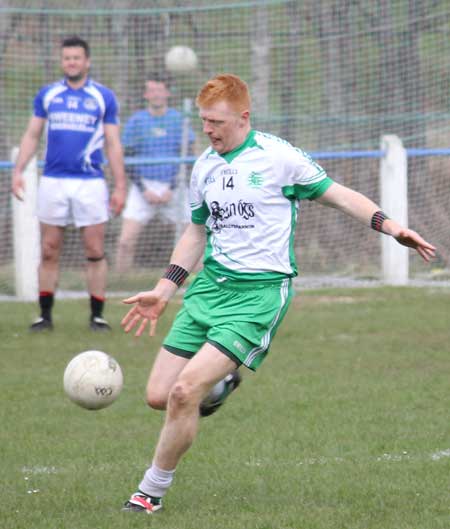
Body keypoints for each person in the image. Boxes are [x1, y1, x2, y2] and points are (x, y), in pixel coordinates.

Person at [119, 74, 436, 514]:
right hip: (209, 289)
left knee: (183, 392)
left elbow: (341, 197)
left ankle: (149, 492)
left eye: (218, 122)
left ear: (244, 117)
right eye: (204, 122)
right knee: (158, 395)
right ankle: (223, 382)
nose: (209, 131)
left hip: (258, 296)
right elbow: (195, 232)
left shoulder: (279, 158)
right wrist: (163, 289)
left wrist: (393, 226)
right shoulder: (205, 165)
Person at [11, 36, 126, 332]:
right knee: (49, 248)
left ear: (87, 62)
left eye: (76, 58)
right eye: (67, 58)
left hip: (90, 182)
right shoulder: (48, 95)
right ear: (62, 62)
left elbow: (113, 143)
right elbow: (32, 135)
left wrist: (120, 185)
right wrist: (18, 170)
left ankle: (97, 315)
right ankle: (45, 315)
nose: (71, 62)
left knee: (94, 248)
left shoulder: (103, 97)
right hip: (53, 181)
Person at [115, 75, 195, 274]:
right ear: (145, 94)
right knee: (125, 241)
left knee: (194, 239)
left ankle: (200, 284)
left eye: (160, 90)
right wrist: (144, 190)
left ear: (167, 93)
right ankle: (120, 283)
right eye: (151, 90)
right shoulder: (136, 121)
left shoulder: (178, 119)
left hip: (174, 186)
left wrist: (172, 187)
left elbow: (189, 156)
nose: (156, 95)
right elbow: (128, 160)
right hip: (143, 187)